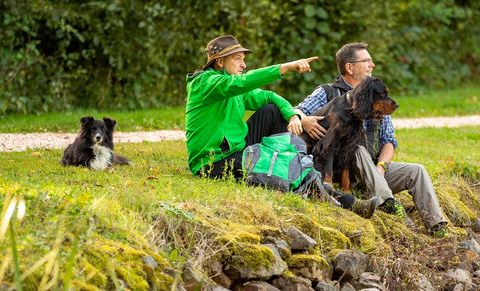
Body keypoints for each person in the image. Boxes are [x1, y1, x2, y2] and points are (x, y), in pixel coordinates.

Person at [185, 35, 379, 217]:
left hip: (236, 149)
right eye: (237, 59)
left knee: (272, 110)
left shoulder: (232, 87)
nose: (243, 64)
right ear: (220, 62)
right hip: (213, 162)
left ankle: (294, 161)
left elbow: (269, 96)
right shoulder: (204, 83)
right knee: (283, 168)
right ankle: (348, 202)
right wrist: (284, 68)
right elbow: (242, 82)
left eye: (243, 59)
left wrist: (294, 116)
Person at [294, 42, 449, 237]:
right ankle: (391, 207)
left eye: (371, 61)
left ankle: (438, 227)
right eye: (366, 60)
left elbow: (389, 140)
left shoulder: (376, 96)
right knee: (357, 149)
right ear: (349, 67)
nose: (372, 65)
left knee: (416, 171)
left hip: (373, 172)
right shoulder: (327, 93)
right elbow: (294, 112)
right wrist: (304, 119)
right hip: (340, 169)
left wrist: (381, 167)